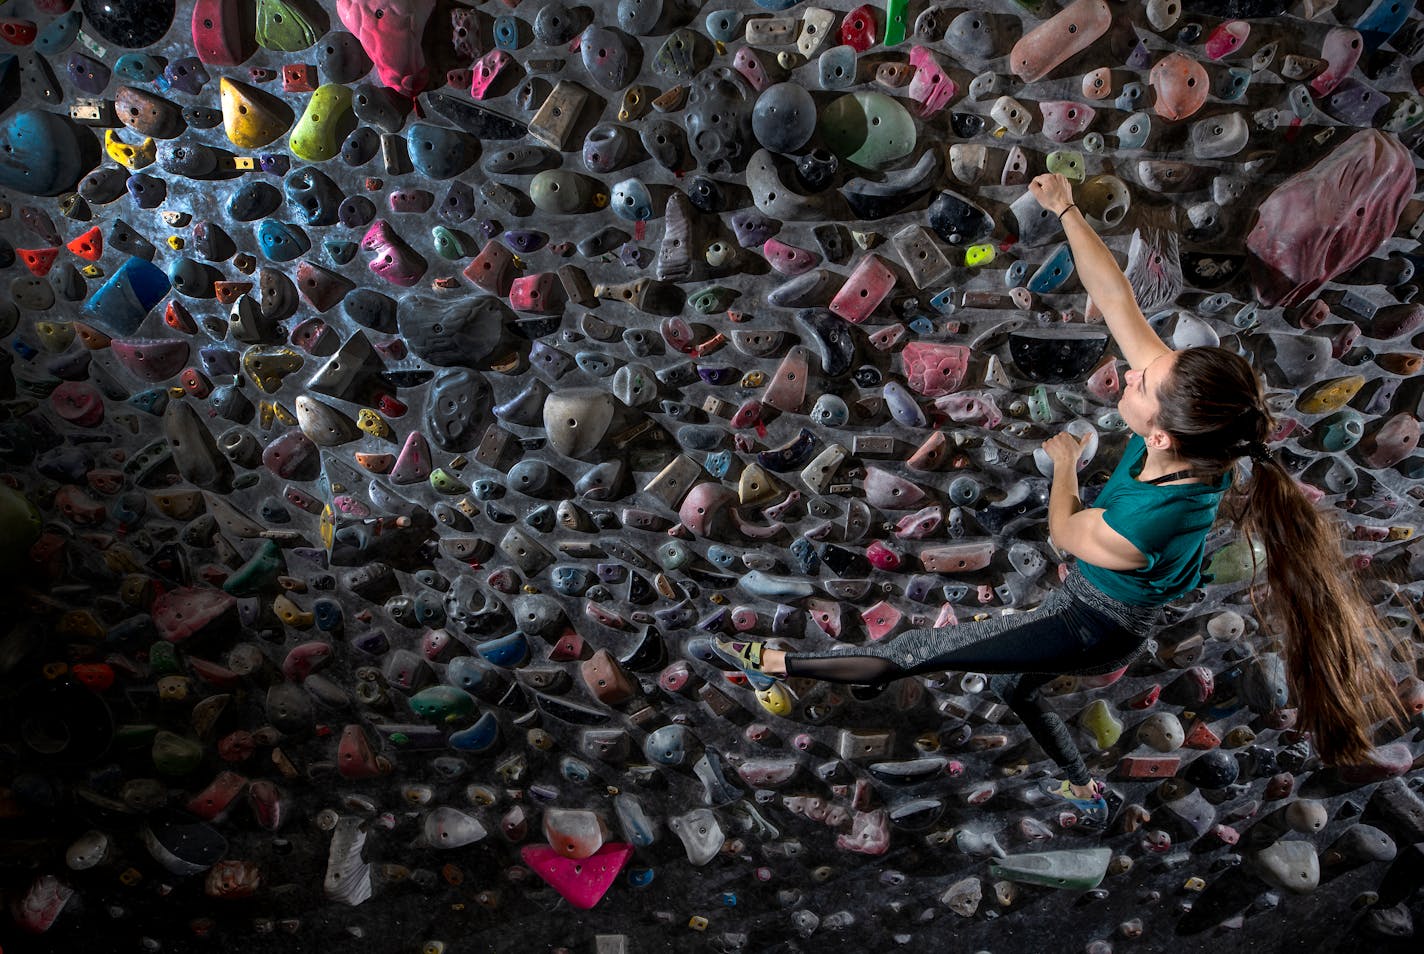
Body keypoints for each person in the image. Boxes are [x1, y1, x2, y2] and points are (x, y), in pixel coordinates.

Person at [714, 173, 1407, 825]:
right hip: (1101, 598)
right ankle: (1079, 779)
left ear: (1160, 434)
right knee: (1015, 685)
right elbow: (1117, 301)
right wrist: (1067, 209)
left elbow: (1065, 531)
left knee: (920, 649)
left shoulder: (1147, 521)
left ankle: (774, 665)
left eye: (1139, 385)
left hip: (1095, 625)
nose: (1131, 376)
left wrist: (1065, 465)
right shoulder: (1203, 437)